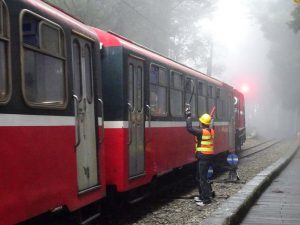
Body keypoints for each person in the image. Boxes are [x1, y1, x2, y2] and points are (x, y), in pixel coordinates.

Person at [185, 107, 215, 206]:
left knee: (202, 179)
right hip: (206, 157)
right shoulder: (211, 131)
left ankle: (206, 199)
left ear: (202, 123)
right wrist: (211, 119)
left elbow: (189, 129)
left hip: (203, 157)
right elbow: (211, 125)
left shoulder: (202, 132)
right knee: (200, 177)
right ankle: (202, 196)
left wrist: (188, 116)